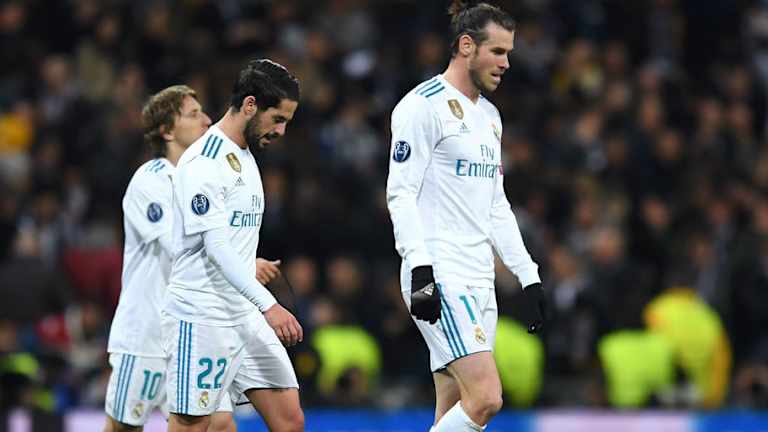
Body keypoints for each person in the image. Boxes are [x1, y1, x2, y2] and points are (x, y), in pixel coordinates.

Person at [385, 2, 546, 431]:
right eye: (498, 52)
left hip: (480, 277)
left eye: (509, 53)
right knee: (486, 397)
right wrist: (420, 268)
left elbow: (496, 205)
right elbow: (400, 193)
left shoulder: (489, 117)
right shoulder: (422, 106)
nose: (506, 63)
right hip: (440, 270)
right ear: (466, 46)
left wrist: (527, 275)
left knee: (455, 405)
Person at [103, 84, 283, 432]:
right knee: (123, 427)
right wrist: (247, 266)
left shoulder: (204, 173)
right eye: (193, 114)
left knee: (220, 423)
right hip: (147, 334)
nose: (207, 120)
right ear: (167, 131)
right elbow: (179, 246)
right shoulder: (151, 181)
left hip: (193, 328)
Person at [163, 59, 304, 432]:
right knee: (193, 424)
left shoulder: (244, 155)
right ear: (250, 105)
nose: (281, 131)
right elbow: (216, 247)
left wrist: (249, 263)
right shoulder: (204, 161)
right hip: (202, 315)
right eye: (278, 119)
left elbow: (229, 239)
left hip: (242, 313)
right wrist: (269, 305)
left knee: (290, 419)